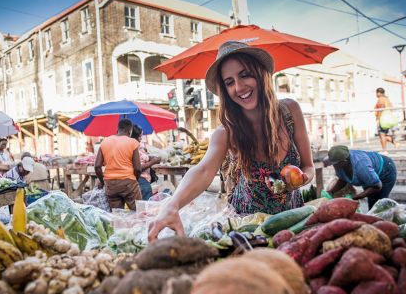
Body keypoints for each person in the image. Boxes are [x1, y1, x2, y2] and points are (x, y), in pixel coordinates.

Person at [148, 41, 314, 241]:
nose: (239, 87)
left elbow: (309, 167)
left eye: (245, 75)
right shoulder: (226, 133)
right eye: (229, 82)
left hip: (293, 220)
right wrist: (172, 205)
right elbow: (202, 170)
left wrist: (302, 178)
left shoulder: (290, 112)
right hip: (248, 231)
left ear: (260, 75)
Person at [323, 145, 397, 210]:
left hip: (385, 170)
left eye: (335, 164)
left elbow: (377, 186)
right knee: (372, 204)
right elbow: (343, 179)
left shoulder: (361, 166)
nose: (333, 166)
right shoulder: (340, 163)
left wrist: (359, 196)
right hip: (371, 176)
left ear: (344, 162)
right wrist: (331, 192)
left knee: (378, 206)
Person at [94, 119, 142, 210]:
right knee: (138, 213)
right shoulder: (132, 142)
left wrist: (102, 181)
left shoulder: (105, 142)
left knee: (117, 216)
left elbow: (97, 166)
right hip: (128, 182)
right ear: (130, 130)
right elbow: (138, 168)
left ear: (118, 129)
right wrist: (135, 180)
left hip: (110, 184)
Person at [130, 124, 161, 200]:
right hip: (141, 179)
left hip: (143, 179)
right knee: (146, 206)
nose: (141, 138)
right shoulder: (133, 147)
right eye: (140, 136)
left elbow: (141, 158)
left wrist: (149, 157)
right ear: (134, 136)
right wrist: (153, 162)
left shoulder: (138, 146)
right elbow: (138, 167)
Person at [374, 87, 399, 154]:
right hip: (387, 120)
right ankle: (395, 143)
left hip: (382, 120)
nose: (376, 94)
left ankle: (384, 150)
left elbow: (381, 108)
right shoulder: (387, 99)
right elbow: (391, 108)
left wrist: (378, 118)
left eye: (376, 93)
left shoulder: (381, 99)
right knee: (383, 135)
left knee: (382, 135)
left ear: (379, 93)